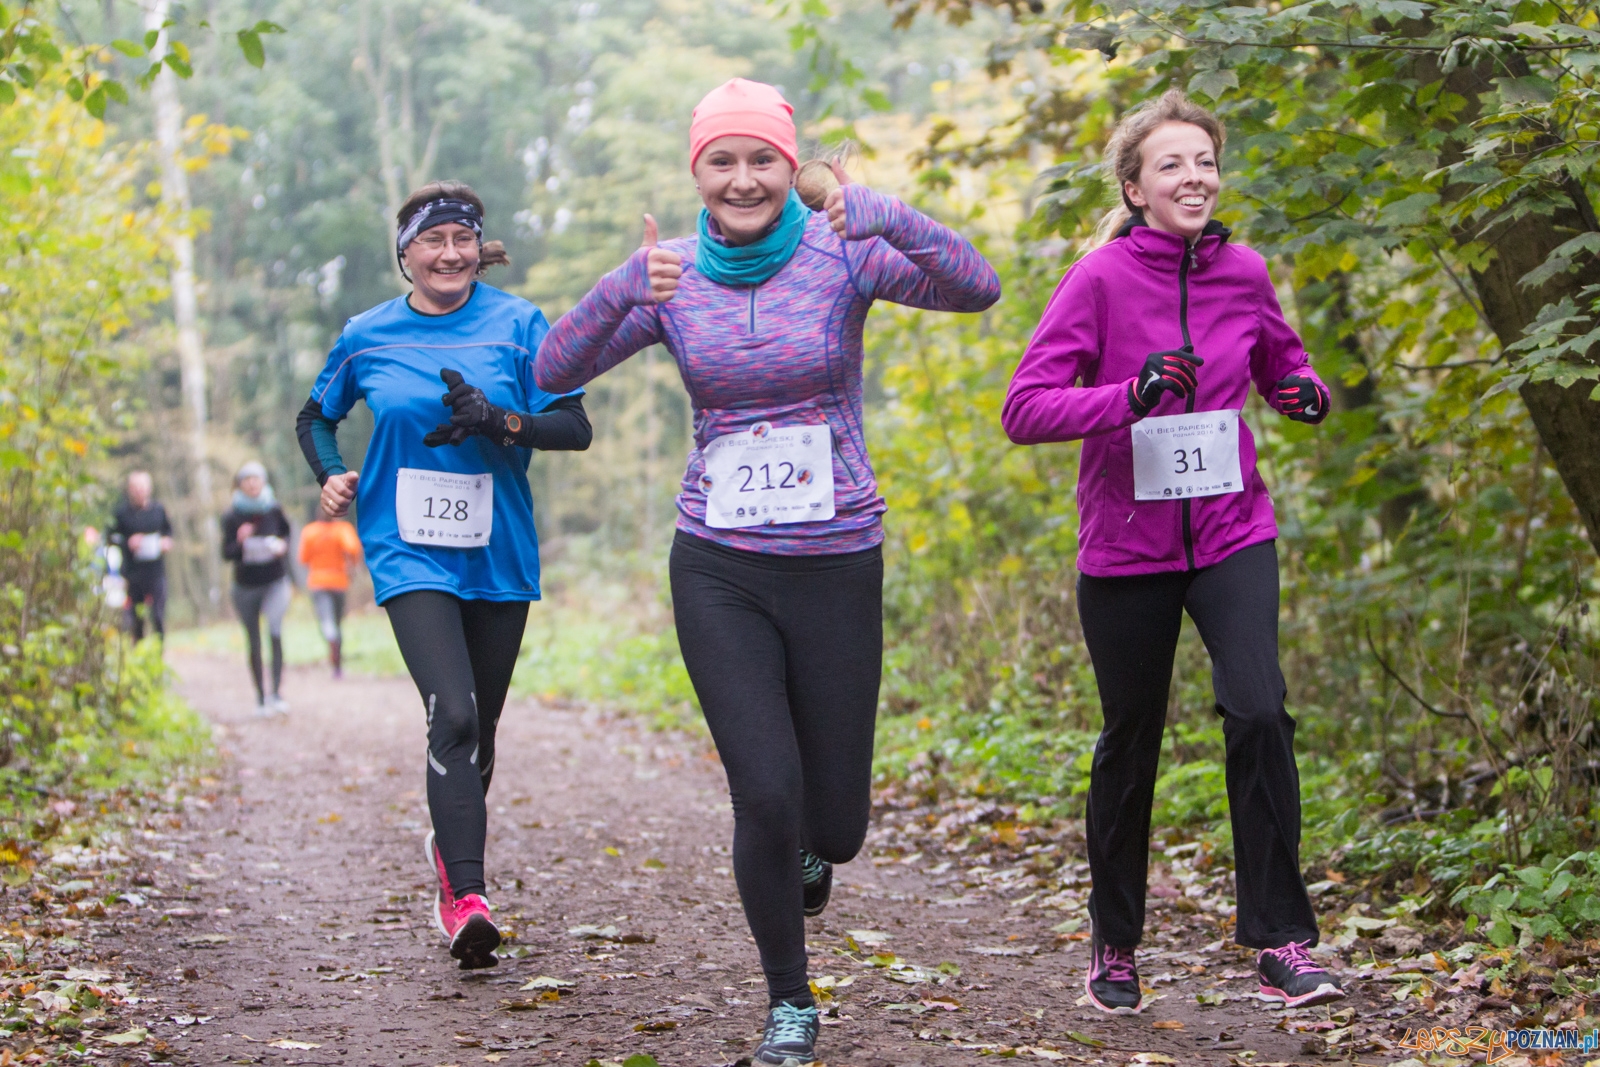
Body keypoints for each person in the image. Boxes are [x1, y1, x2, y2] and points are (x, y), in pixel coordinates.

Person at [536, 78, 1000, 1066]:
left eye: (762, 159)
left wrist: (886, 214)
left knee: (834, 821)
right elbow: (551, 369)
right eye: (722, 160)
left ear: (791, 166)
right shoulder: (669, 283)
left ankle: (808, 847)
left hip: (836, 558)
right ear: (696, 172)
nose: (742, 178)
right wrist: (624, 284)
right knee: (764, 786)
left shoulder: (844, 253)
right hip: (719, 564)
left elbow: (976, 285)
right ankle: (789, 1002)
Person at [1001, 90, 1343, 1014]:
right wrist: (1129, 395)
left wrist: (1301, 392)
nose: (1194, 178)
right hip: (1126, 548)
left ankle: (1281, 938)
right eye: (1172, 165)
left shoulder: (1246, 271)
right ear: (1135, 185)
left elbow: (1282, 364)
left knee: (1259, 709)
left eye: (1205, 162)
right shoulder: (1100, 279)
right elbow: (1024, 408)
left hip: (1233, 528)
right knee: (1131, 740)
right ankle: (1115, 945)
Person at [296, 179, 591, 971]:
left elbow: (575, 424)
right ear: (407, 254)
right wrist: (330, 471)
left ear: (478, 248)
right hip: (405, 545)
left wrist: (500, 420)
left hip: (498, 550)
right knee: (452, 713)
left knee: (480, 730)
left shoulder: (520, 325)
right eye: (433, 241)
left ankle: (448, 834)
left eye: (463, 239)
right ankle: (466, 897)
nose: (450, 253)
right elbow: (316, 414)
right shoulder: (365, 335)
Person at [221, 462, 293, 716]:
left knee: (274, 629)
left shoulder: (274, 509)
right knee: (254, 639)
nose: (252, 484)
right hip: (245, 586)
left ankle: (277, 694)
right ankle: (260, 698)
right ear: (239, 484)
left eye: (256, 479)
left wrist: (282, 546)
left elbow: (287, 535)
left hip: (275, 581)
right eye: (247, 480)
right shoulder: (231, 516)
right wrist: (240, 542)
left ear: (264, 482)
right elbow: (226, 553)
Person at [298, 503, 364, 677]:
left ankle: (331, 639)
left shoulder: (310, 531)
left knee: (326, 620)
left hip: (318, 581)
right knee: (337, 621)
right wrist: (352, 565)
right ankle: (337, 666)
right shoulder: (343, 530)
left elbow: (303, 558)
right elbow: (353, 549)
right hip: (338, 581)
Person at [108, 471, 173, 643]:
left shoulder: (159, 510)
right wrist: (127, 543)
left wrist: (166, 542)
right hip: (132, 574)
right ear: (129, 490)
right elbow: (110, 537)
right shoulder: (121, 513)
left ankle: (158, 654)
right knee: (137, 619)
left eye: (142, 487)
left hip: (156, 573)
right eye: (135, 488)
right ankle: (139, 652)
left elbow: (168, 532)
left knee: (158, 616)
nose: (139, 491)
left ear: (149, 489)